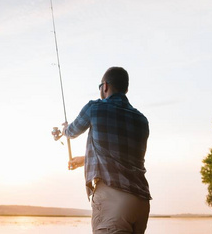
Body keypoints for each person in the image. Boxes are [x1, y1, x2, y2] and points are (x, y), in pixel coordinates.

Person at [61, 67, 151, 234]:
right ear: (126, 89)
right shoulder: (142, 120)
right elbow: (120, 156)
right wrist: (84, 160)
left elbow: (72, 132)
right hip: (141, 203)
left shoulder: (95, 108)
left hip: (113, 201)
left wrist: (64, 129)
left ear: (105, 86)